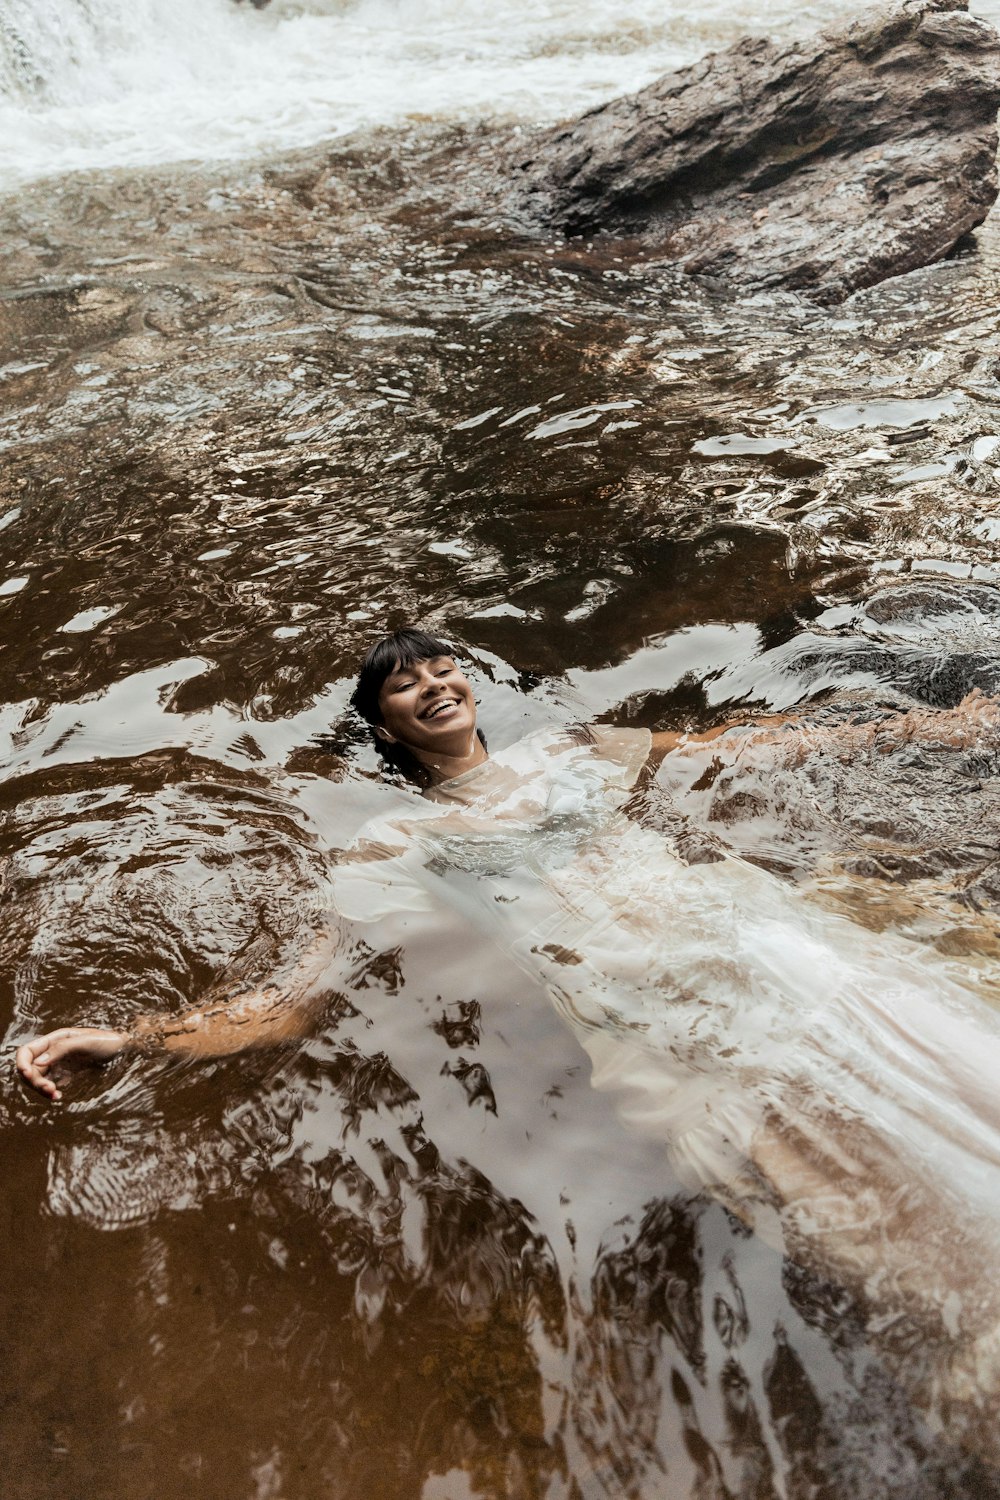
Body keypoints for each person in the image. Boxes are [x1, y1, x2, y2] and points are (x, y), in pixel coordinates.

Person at [14, 629, 1000, 1414]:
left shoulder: (571, 755)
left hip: (772, 956)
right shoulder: (396, 844)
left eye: (443, 665)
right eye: (403, 682)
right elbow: (288, 1005)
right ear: (384, 725)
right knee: (915, 1248)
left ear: (469, 686)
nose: (432, 682)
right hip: (665, 1035)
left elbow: (743, 746)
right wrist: (132, 1037)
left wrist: (929, 731)